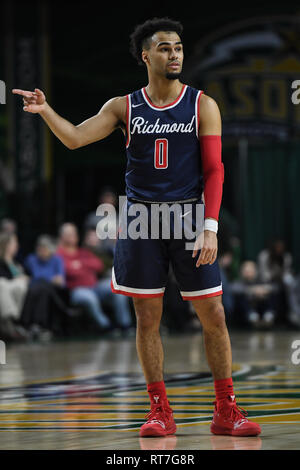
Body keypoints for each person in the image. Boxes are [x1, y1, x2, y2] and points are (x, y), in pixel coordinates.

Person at [12, 17, 261, 437]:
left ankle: (226, 408)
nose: (174, 54)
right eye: (165, 48)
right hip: (140, 220)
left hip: (188, 219)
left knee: (214, 312)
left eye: (179, 47)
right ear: (146, 56)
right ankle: (159, 410)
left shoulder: (202, 104)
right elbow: (74, 138)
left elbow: (216, 171)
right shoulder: (123, 106)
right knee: (147, 316)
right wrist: (46, 111)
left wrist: (212, 226)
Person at [231, 260, 278, 328]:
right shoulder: (239, 281)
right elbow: (234, 288)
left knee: (272, 296)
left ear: (255, 271)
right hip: (247, 310)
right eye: (246, 271)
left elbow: (275, 287)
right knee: (241, 297)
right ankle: (252, 317)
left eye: (250, 271)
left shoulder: (261, 280)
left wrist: (264, 290)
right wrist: (253, 290)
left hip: (262, 306)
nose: (248, 273)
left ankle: (269, 316)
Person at [0, 232, 29, 340]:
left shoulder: (17, 263)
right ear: (6, 245)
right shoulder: (1, 261)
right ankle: (8, 321)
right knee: (2, 283)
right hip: (3, 287)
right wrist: (16, 279)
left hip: (16, 289)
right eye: (14, 243)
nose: (16, 246)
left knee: (20, 286)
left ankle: (11, 321)